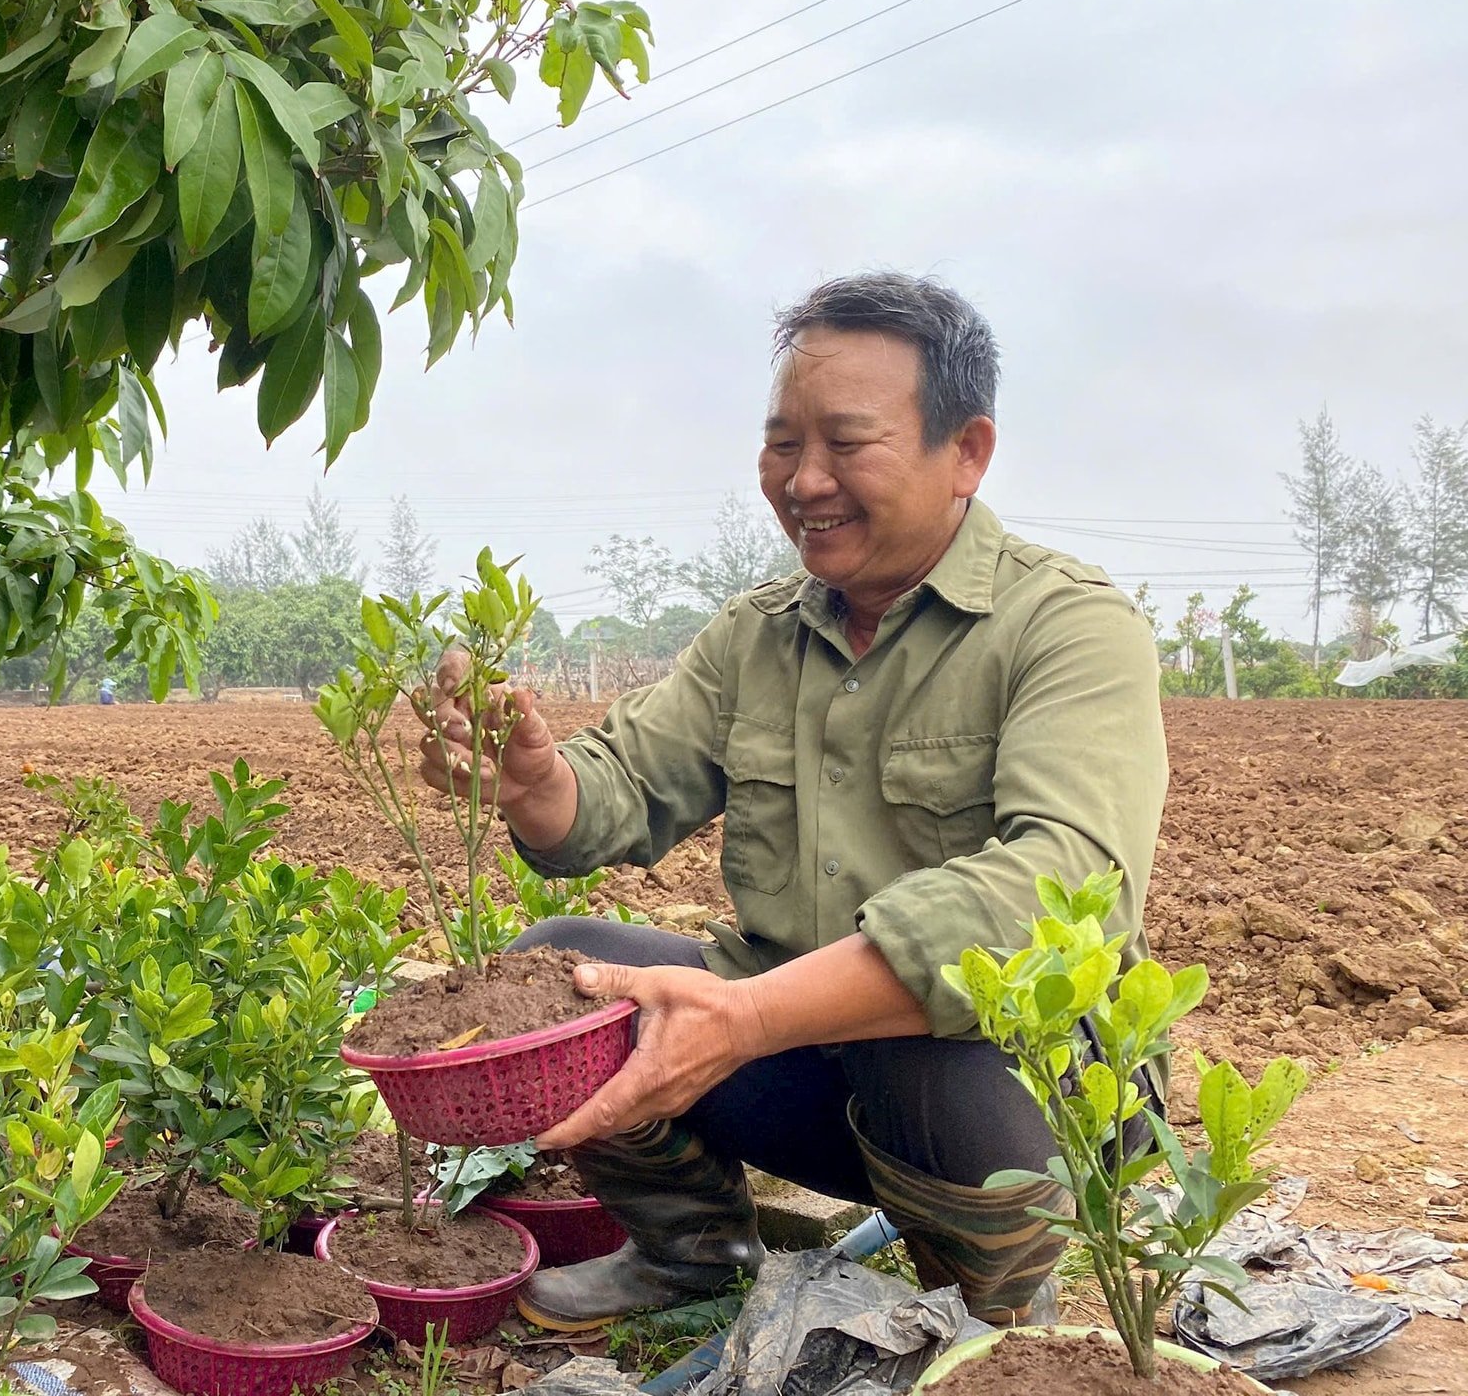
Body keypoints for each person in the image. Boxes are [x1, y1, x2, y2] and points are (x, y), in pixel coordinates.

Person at [413, 272, 1167, 1333]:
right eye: (781, 445)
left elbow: (1060, 887)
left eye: (847, 444)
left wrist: (751, 1015)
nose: (804, 481)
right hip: (792, 1059)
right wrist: (540, 784)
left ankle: (994, 1308)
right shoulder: (758, 635)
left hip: (1006, 1092)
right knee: (559, 968)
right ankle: (690, 1251)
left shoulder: (1067, 627)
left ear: (968, 452)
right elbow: (619, 789)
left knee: (937, 1050)